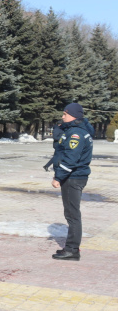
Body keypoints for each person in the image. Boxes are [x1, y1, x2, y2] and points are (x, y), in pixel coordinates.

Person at [51, 102, 94, 261]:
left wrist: (58, 177)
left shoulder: (75, 134)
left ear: (73, 115)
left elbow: (70, 159)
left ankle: (72, 250)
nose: (62, 116)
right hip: (76, 176)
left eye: (65, 114)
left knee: (72, 215)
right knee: (72, 214)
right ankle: (71, 248)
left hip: (73, 178)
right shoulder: (79, 130)